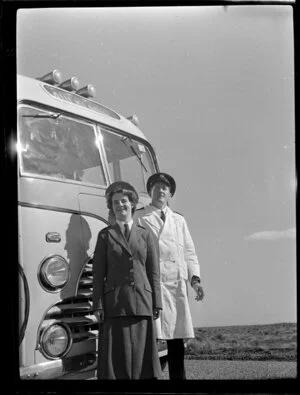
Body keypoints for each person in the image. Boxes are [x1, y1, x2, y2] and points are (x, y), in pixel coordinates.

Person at [134, 172, 205, 380]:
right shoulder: (139, 217)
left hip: (176, 286)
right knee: (151, 340)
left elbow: (189, 252)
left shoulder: (179, 220)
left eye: (165, 188)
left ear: (170, 193)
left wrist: (195, 280)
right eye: (156, 187)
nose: (161, 190)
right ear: (150, 192)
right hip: (152, 285)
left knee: (176, 340)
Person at [92, 181, 162, 380]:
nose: (120, 205)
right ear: (111, 207)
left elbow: (153, 272)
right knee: (116, 366)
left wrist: (157, 302)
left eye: (123, 201)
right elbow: (98, 275)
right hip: (115, 305)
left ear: (132, 204)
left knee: (144, 365)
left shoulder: (146, 235)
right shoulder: (105, 235)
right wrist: (97, 305)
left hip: (142, 303)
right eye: (115, 203)